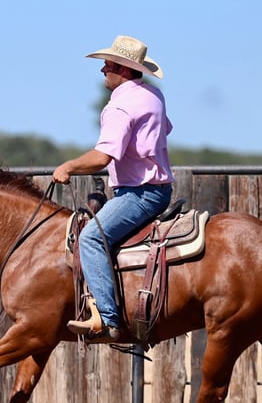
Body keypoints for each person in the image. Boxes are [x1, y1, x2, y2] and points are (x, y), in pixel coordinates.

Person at [52, 35, 175, 343]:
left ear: (123, 69)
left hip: (140, 194)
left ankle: (107, 320)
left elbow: (103, 156)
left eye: (107, 64)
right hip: (158, 189)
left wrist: (68, 167)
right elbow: (165, 130)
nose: (102, 69)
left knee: (91, 237)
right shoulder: (153, 96)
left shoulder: (120, 106)